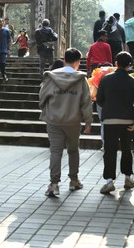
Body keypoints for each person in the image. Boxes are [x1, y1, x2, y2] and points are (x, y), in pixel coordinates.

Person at [39, 48, 93, 197]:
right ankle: (74, 180)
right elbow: (86, 101)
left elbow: (42, 96)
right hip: (73, 121)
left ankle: (54, 184)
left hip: (54, 120)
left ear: (64, 60)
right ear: (77, 62)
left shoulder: (51, 77)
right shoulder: (81, 79)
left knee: (55, 151)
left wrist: (45, 109)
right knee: (73, 150)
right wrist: (88, 122)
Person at [96, 52, 134, 194]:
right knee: (127, 149)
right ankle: (128, 178)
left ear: (116, 63)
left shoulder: (105, 79)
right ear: (129, 65)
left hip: (110, 119)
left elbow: (99, 99)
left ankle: (109, 180)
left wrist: (109, 106)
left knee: (110, 150)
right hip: (127, 120)